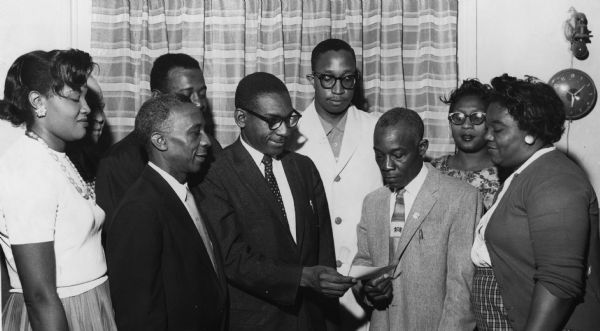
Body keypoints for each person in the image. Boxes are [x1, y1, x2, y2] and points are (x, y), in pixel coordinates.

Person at [198, 72, 355, 331]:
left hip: (310, 320)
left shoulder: (304, 168)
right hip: (255, 323)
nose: (284, 131)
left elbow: (323, 248)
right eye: (272, 121)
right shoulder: (215, 174)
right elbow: (232, 258)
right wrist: (301, 277)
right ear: (241, 118)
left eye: (289, 119)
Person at [471, 74, 600, 331]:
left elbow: (559, 282)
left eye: (497, 129)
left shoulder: (555, 180)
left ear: (530, 131)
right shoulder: (523, 173)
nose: (486, 136)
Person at [0, 49, 117, 330]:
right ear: (38, 103)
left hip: (89, 304)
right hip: (61, 314)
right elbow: (40, 296)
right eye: (76, 97)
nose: (87, 108)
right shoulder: (27, 168)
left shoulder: (58, 157)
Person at [106, 94, 227, 330]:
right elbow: (139, 316)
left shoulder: (186, 192)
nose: (207, 142)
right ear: (160, 141)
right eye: (195, 133)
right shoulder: (139, 210)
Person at [352, 107, 480, 330]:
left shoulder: (461, 198)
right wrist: (367, 287)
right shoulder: (372, 202)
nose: (386, 165)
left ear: (422, 148)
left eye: (398, 155)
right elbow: (362, 261)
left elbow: (461, 291)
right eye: (379, 156)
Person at [288, 38, 382, 330]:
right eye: (327, 78)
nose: (338, 90)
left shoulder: (378, 128)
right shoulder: (289, 134)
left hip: (368, 284)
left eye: (348, 79)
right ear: (312, 79)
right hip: (312, 286)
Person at [95, 52, 221, 229]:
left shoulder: (211, 147)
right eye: (186, 95)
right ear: (156, 98)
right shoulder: (116, 164)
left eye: (202, 94)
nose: (199, 103)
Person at [431, 79, 501, 211]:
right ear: (450, 123)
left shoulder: (504, 175)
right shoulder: (433, 170)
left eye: (477, 117)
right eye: (458, 117)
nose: (467, 125)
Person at [66, 75, 108, 185]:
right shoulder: (59, 167)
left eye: (101, 107)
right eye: (92, 106)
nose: (100, 118)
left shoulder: (103, 164)